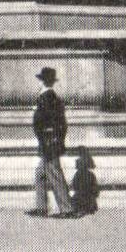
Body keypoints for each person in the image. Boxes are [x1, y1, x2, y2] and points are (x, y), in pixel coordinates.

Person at [28, 67, 75, 218]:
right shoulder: (50, 97)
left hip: (49, 143)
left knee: (54, 174)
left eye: (40, 80)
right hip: (49, 142)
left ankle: (67, 209)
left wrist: (51, 140)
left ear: (42, 81)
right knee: (40, 174)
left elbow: (48, 121)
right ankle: (41, 207)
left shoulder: (47, 97)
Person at [70, 147, 100, 216]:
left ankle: (82, 209)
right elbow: (95, 187)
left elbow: (74, 185)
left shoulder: (78, 174)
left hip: (82, 195)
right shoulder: (90, 174)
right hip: (88, 196)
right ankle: (86, 208)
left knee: (77, 198)